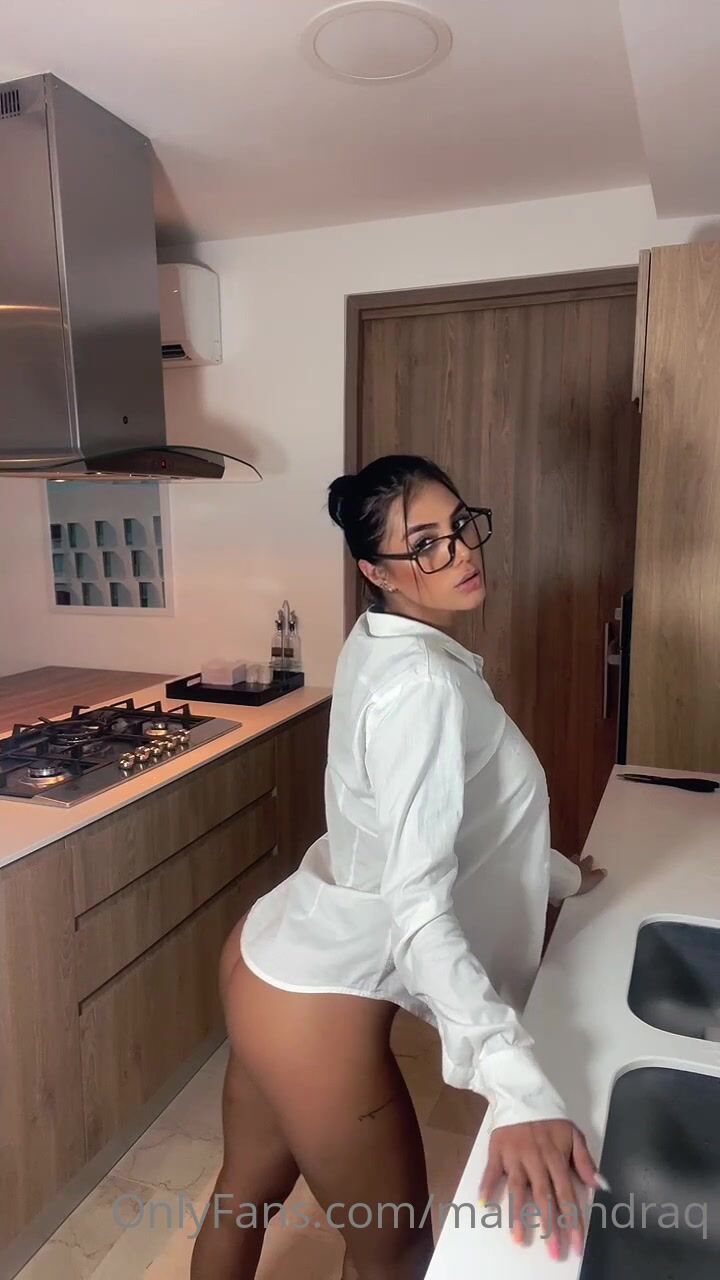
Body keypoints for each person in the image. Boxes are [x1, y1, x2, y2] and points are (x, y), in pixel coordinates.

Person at [190, 454, 607, 1280]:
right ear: (374, 571)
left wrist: (557, 874)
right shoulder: (424, 686)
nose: (459, 553)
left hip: (275, 953)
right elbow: (419, 908)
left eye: (459, 526)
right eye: (424, 544)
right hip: (314, 1002)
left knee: (243, 1194)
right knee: (398, 1254)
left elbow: (441, 825)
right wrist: (519, 1089)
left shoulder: (382, 642)